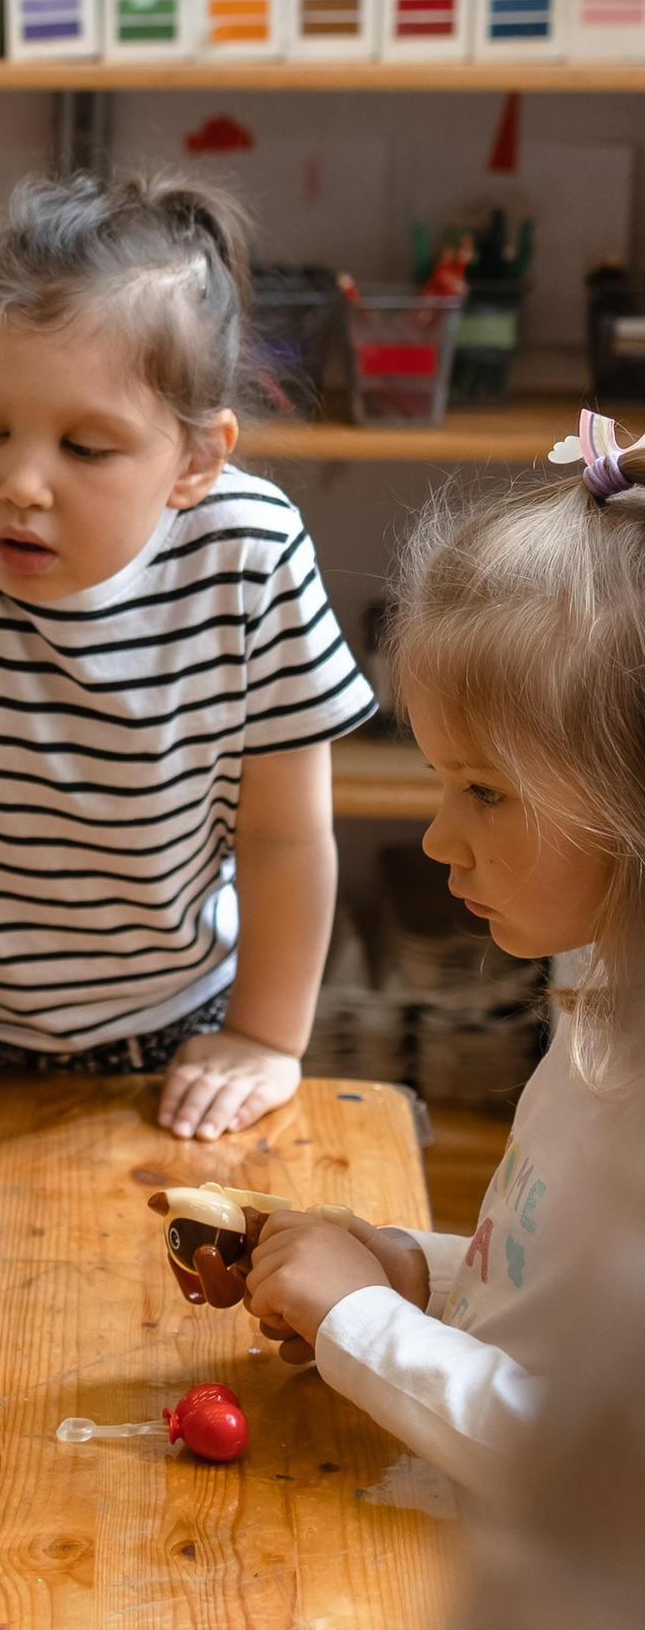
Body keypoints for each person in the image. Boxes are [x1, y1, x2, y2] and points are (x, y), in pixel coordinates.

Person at [0, 172, 375, 1185]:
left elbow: (283, 838)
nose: (18, 482)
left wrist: (265, 1041)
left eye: (86, 447)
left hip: (174, 1032)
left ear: (196, 460)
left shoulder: (254, 552)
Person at [192, 419, 645, 1505]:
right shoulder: (602, 1017)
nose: (437, 839)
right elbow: (541, 1312)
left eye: (482, 790)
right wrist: (406, 1276)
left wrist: (366, 1328)